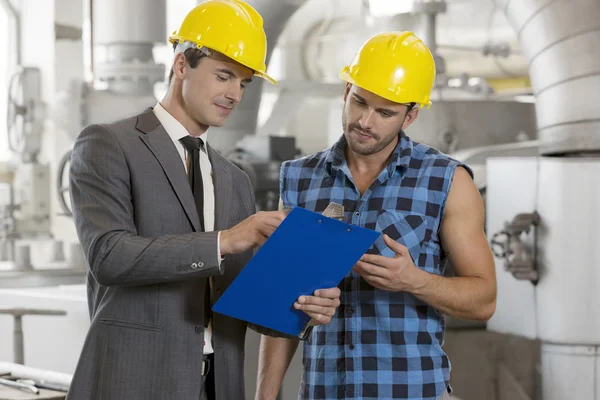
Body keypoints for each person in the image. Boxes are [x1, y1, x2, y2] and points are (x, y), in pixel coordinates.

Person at [66, 1, 340, 399]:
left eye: (243, 83)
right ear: (181, 65)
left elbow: (243, 300)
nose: (234, 94)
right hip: (137, 382)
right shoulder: (109, 144)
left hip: (219, 384)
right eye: (224, 76)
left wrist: (305, 306)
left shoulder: (234, 179)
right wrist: (225, 240)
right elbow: (109, 256)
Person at [255, 31, 497, 400]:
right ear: (346, 90)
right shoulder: (299, 178)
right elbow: (282, 306)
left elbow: (484, 300)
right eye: (359, 102)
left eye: (385, 112)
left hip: (413, 392)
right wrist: (265, 397)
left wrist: (415, 280)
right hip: (323, 391)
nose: (366, 121)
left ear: (410, 115)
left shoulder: (447, 180)